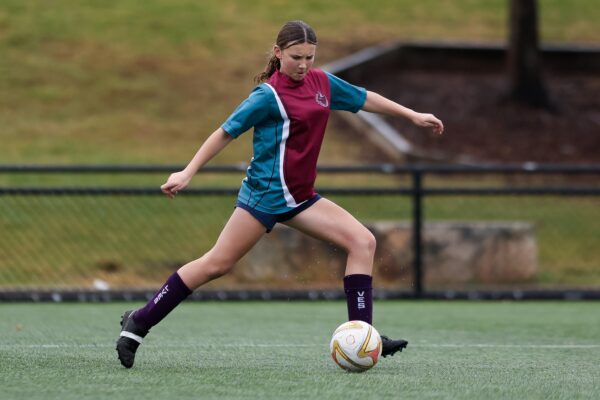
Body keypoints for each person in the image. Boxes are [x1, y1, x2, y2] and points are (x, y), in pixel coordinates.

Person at [116, 20, 443, 369]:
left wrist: (411, 115)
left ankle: (362, 336)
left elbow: (363, 98)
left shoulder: (321, 83)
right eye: (296, 57)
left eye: (310, 57)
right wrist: (188, 171)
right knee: (216, 264)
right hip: (265, 198)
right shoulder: (266, 96)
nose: (303, 65)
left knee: (362, 241)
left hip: (302, 198)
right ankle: (139, 322)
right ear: (278, 53)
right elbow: (225, 132)